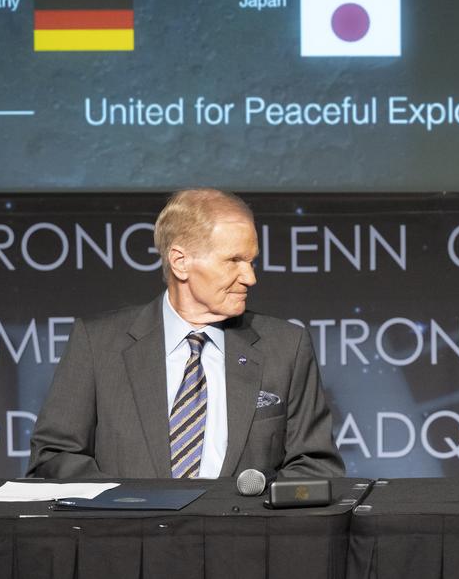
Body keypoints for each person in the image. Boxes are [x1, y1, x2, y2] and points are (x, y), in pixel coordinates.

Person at [28, 189, 344, 479]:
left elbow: (315, 466)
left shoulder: (286, 347)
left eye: (251, 261)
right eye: (234, 260)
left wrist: (251, 508)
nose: (250, 277)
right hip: (128, 524)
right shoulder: (97, 343)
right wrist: (123, 503)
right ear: (180, 262)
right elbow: (54, 456)